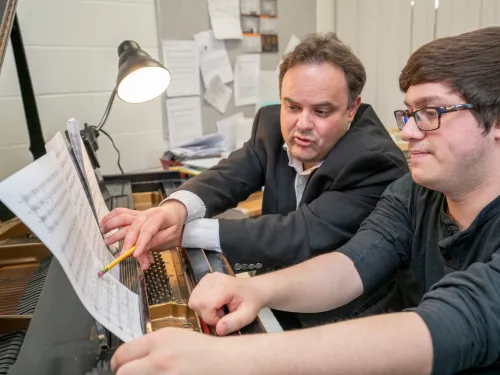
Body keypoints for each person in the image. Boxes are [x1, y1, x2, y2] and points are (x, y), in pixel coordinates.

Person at [110, 26, 500, 375]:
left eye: (431, 113)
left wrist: (231, 358)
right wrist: (257, 289)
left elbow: (450, 323)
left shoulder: (382, 164)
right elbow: (351, 266)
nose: (410, 132)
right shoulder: (418, 191)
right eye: (410, 113)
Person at [101, 33, 409, 328]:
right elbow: (230, 174)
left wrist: (183, 232)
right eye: (292, 106)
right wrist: (173, 211)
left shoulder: (374, 161)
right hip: (281, 291)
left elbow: (301, 234)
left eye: (321, 111)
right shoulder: (271, 124)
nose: (302, 124)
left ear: (352, 109)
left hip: (346, 318)